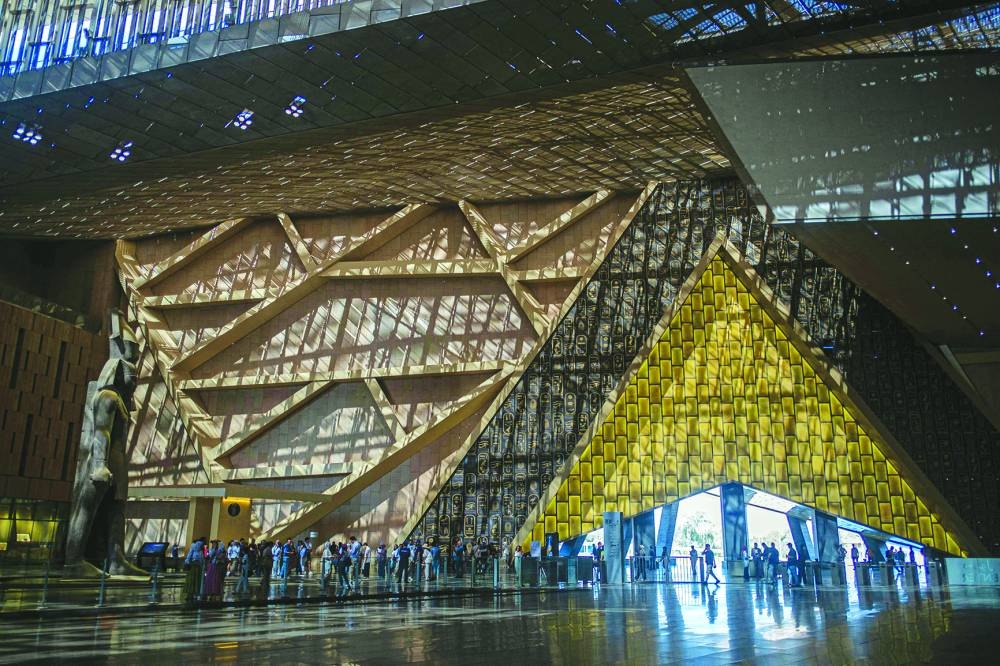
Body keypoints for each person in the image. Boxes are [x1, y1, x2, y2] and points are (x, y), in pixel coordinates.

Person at [183, 536, 207, 602]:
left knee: (191, 580)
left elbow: (189, 555)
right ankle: (195, 594)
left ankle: (189, 595)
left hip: (192, 565)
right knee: (197, 581)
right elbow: (204, 557)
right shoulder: (203, 548)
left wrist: (187, 562)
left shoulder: (193, 547)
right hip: (198, 566)